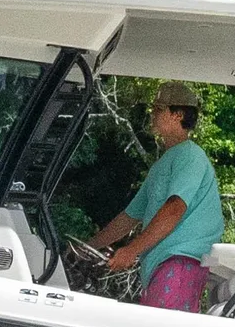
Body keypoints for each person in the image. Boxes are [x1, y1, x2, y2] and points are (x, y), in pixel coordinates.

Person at [96, 80, 225, 309]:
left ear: (178, 114)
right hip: (162, 266)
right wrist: (91, 245)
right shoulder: (164, 163)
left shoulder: (190, 156)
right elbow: (129, 217)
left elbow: (175, 208)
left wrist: (131, 250)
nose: (152, 114)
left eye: (158, 109)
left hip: (179, 264)